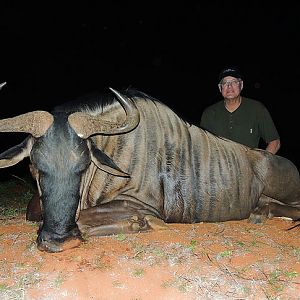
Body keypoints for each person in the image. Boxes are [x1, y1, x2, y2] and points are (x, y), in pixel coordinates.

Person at [200, 67, 281, 154]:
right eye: (225, 82)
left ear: (241, 85)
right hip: (219, 166)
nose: (229, 86)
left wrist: (260, 164)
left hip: (249, 166)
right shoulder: (209, 113)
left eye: (234, 82)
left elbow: (275, 142)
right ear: (220, 88)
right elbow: (202, 146)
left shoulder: (257, 109)